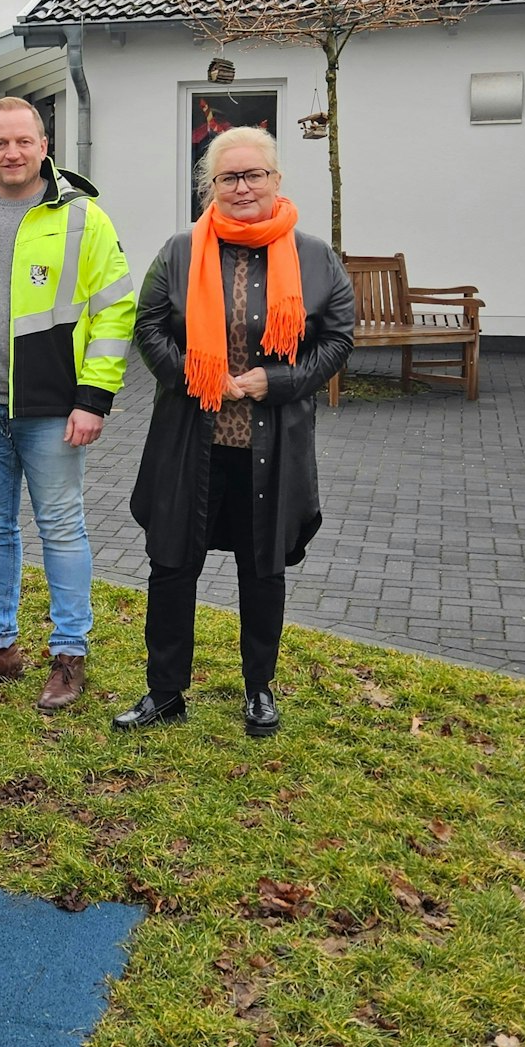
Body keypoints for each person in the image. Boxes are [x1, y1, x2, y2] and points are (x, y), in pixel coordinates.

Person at [118, 125, 353, 735]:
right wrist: (199, 380)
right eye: (229, 177)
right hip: (190, 440)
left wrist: (272, 383)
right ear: (210, 187)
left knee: (262, 569)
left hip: (270, 445)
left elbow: (338, 338)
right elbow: (148, 327)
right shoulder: (178, 251)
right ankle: (164, 692)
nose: (243, 187)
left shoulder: (313, 257)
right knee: (171, 567)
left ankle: (259, 690)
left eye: (255, 175)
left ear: (276, 180)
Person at [0, 97, 135, 712]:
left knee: (62, 528)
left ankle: (68, 655)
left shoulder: (82, 218)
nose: (12, 152)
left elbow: (117, 310)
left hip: (53, 410)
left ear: (45, 145)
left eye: (23, 141)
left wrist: (93, 398)